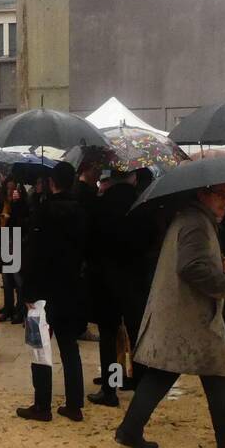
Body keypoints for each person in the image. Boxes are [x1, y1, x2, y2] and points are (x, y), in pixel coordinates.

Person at [115, 182, 225, 448]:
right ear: (202, 193)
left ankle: (130, 429)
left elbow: (194, 260)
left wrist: (217, 262)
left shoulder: (192, 218)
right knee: (215, 370)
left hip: (183, 315)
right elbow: (191, 267)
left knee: (170, 372)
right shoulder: (196, 222)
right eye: (220, 194)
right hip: (191, 316)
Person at [17, 161, 87, 422]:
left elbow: (34, 254)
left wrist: (28, 293)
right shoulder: (81, 211)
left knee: (40, 348)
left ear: (51, 182)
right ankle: (74, 404)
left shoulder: (44, 211)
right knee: (70, 347)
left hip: (43, 292)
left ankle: (42, 405)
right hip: (70, 289)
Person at [87, 169, 151, 408]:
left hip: (106, 281)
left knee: (110, 336)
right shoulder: (143, 203)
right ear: (133, 178)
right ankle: (141, 383)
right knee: (137, 334)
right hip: (135, 280)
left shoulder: (101, 205)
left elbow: (91, 243)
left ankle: (110, 388)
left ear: (111, 178)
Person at [2, 179, 28, 322]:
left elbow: (21, 222)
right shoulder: (6, 202)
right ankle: (8, 308)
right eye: (8, 189)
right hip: (6, 239)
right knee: (6, 278)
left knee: (18, 278)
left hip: (17, 241)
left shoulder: (22, 204)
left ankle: (20, 309)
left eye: (13, 189)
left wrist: (16, 206)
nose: (10, 192)